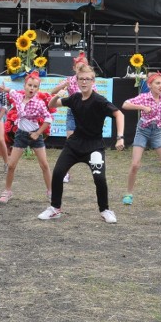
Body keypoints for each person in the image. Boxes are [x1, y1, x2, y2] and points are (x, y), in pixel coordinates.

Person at [38, 64, 125, 222]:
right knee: (57, 173)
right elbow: (51, 105)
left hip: (94, 146)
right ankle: (55, 208)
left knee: (99, 179)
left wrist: (120, 137)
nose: (84, 82)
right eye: (81, 79)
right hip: (75, 144)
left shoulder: (99, 101)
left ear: (93, 81)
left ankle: (105, 210)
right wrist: (58, 95)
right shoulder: (74, 98)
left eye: (87, 79)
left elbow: (119, 114)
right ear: (76, 81)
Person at [121, 72, 161, 207]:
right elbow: (125, 104)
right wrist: (142, 107)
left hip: (157, 132)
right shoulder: (143, 97)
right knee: (135, 164)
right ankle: (128, 194)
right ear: (149, 85)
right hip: (142, 131)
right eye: (157, 83)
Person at [0, 71, 53, 203]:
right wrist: (4, 88)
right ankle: (7, 191)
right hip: (21, 134)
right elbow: (11, 91)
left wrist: (38, 133)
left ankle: (51, 191)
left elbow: (48, 119)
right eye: (30, 85)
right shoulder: (18, 97)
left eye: (35, 86)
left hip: (35, 135)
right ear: (25, 86)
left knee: (44, 165)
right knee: (11, 165)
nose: (32, 88)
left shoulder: (39, 103)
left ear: (38, 89)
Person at [49, 51, 94, 183]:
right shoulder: (69, 80)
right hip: (72, 114)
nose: (81, 69)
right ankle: (66, 173)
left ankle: (95, 170)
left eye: (83, 67)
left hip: (86, 115)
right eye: (78, 67)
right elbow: (53, 92)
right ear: (74, 68)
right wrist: (63, 86)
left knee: (89, 144)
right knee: (70, 144)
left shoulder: (90, 81)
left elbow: (95, 96)